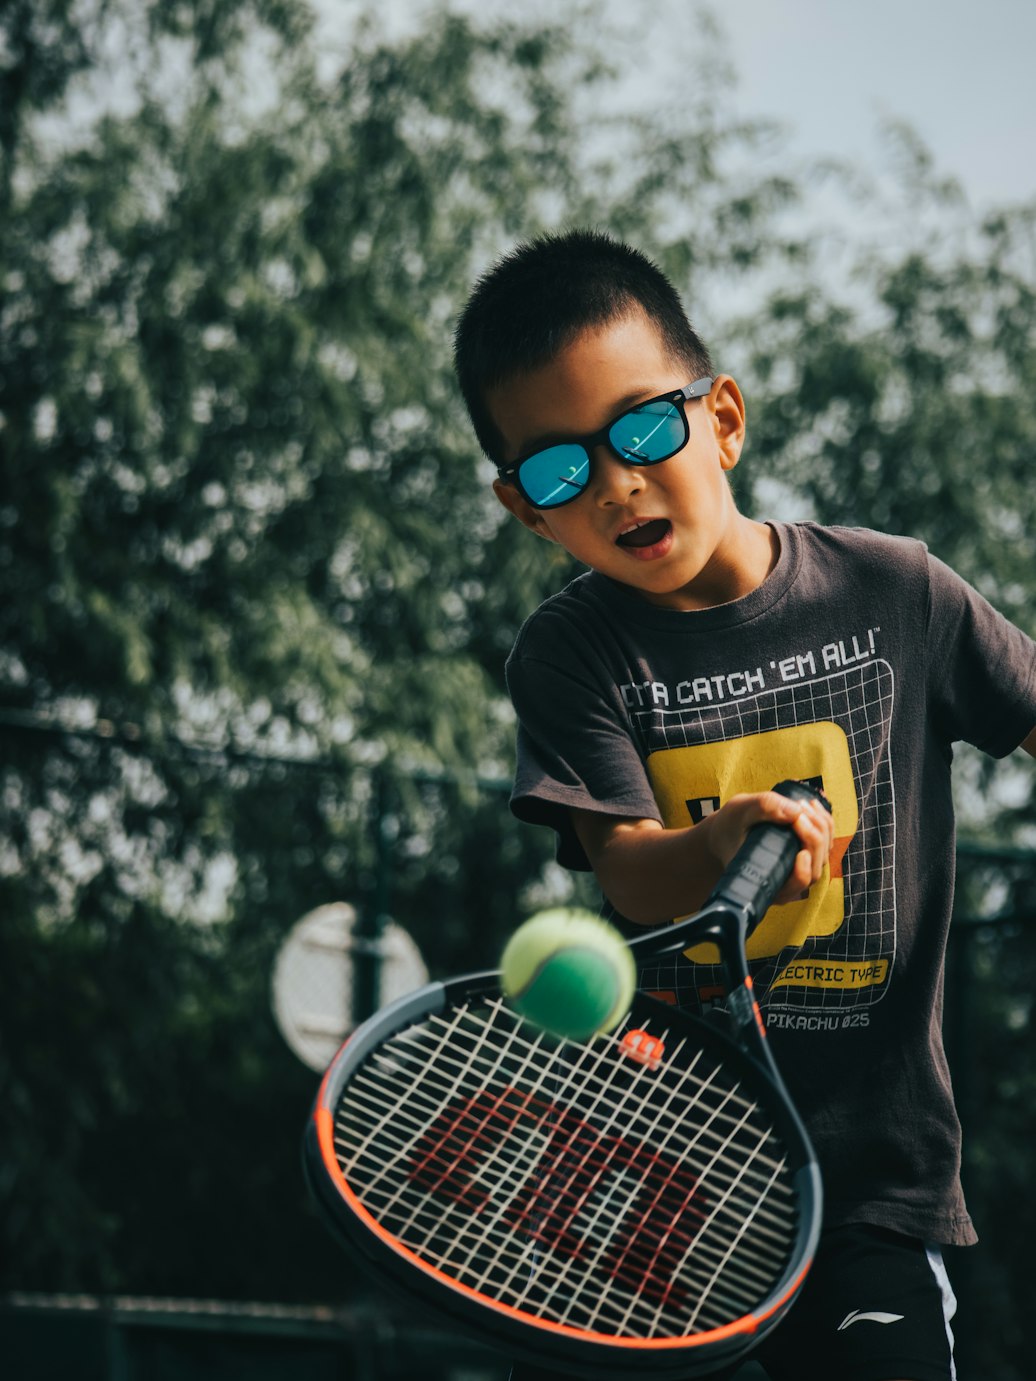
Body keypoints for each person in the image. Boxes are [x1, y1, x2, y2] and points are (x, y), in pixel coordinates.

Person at [453, 229, 1036, 1381]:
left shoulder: (897, 589)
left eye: (641, 429)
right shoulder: (570, 654)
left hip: (873, 1179)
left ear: (719, 418)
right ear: (527, 509)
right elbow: (624, 865)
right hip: (658, 1174)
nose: (616, 482)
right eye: (563, 470)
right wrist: (720, 841)